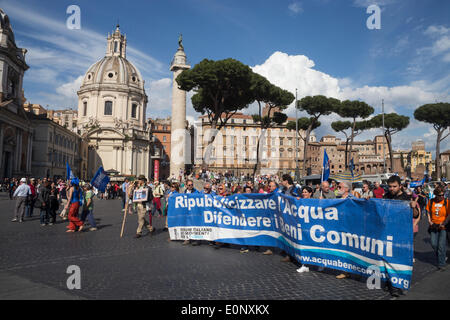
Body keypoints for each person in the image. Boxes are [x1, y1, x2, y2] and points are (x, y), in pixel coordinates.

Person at [425, 186, 449, 271]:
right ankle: (442, 256)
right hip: (433, 225)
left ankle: (441, 264)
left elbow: (449, 214)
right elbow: (427, 211)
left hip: (443, 226)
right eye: (440, 195)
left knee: (441, 246)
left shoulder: (446, 202)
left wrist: (444, 222)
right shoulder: (431, 202)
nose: (442, 196)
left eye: (443, 195)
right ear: (436, 195)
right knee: (434, 244)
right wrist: (429, 221)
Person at [296, 186, 314, 273]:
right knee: (304, 245)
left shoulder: (315, 201)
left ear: (310, 193)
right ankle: (305, 265)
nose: (304, 193)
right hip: (304, 228)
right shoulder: (301, 201)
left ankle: (318, 264)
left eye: (306, 192)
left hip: (313, 228)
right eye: (303, 192)